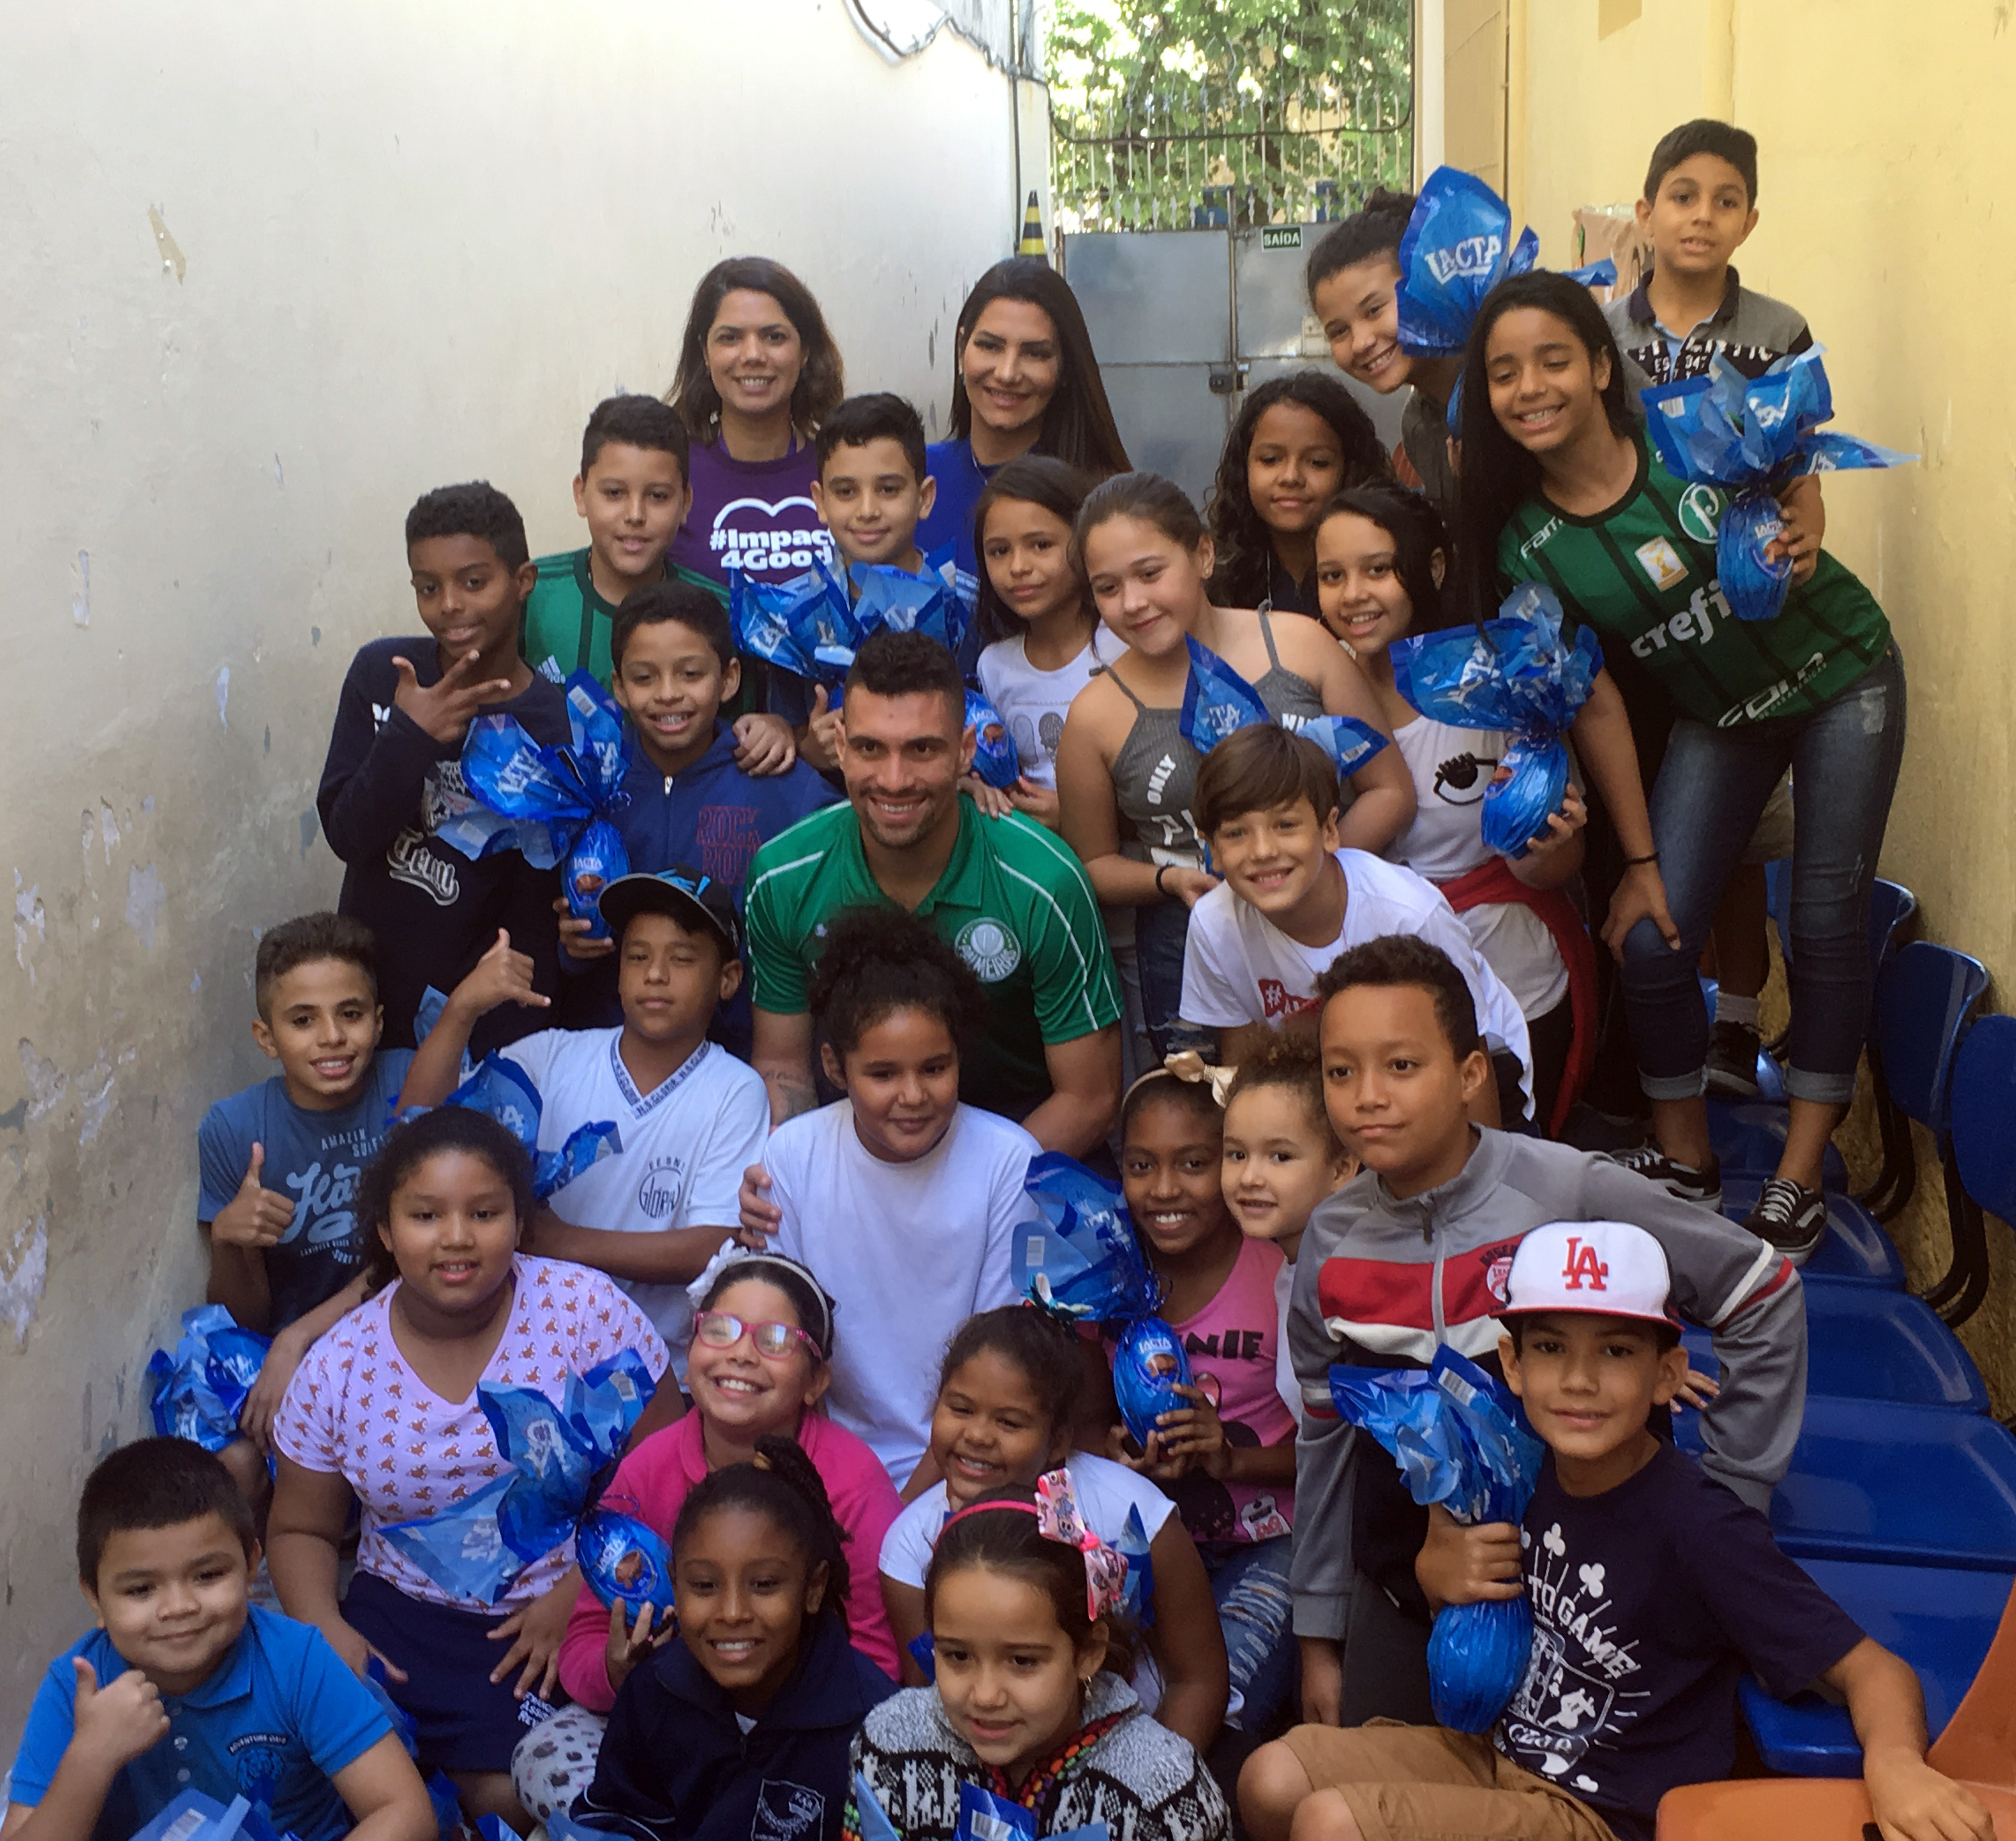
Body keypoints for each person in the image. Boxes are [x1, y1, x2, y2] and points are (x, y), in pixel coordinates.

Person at [1241, 1219, 1993, 1841]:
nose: (1578, 1379)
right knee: (1270, 1777)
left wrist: (1898, 1765)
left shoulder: (1698, 1524)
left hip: (1603, 1815)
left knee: (1332, 1825)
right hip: (1495, 1756)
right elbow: (1465, 1608)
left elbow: (1871, 1669)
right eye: (1550, 1347)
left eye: (1616, 1350)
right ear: (1511, 1363)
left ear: (1668, 1374)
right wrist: (1440, 1574)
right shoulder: (1516, 1469)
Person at [1460, 269, 1900, 1257]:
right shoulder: (1525, 539)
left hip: (1840, 677)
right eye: (1502, 371)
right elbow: (1600, 700)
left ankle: (1796, 1178)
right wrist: (1642, 861)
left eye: (1552, 360)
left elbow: (1792, 469)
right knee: (1652, 938)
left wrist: (1803, 520)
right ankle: (1685, 1157)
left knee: (1824, 918)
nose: (1530, 385)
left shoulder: (1684, 431)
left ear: (1598, 365)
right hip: (1722, 712)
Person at [1286, 936, 1807, 1734]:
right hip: (1412, 1584)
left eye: (1401, 1065)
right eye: (1340, 1071)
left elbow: (1761, 1290)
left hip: (1594, 1593)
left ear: (1470, 1077)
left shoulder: (1566, 1189)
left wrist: (1730, 1507)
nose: (1367, 1097)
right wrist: (1322, 1630)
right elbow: (1325, 1433)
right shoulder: (1330, 1239)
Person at [268, 1106, 679, 1829]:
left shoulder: (585, 1313)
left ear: (520, 1223)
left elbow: (671, 1465)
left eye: (484, 1212)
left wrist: (580, 1597)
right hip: (402, 1619)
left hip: (559, 1611)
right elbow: (301, 1527)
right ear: (388, 1233)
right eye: (426, 1216)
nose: (456, 1238)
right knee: (328, 1777)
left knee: (531, 1790)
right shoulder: (339, 1364)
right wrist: (323, 1626)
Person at [1605, 119, 1822, 1106]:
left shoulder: (1778, 328)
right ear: (1644, 211)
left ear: (1749, 220)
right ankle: (1644, 1029)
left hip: (1742, 617)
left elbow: (1799, 465)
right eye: (1681, 196)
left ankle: (1736, 1026)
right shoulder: (1600, 332)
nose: (1701, 215)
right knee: (1638, 828)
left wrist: (1802, 539)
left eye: (1723, 200)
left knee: (1736, 840)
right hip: (1628, 616)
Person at [525, 1254, 898, 1820]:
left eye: (775, 1339)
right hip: (669, 1717)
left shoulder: (852, 1480)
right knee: (539, 1757)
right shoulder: (647, 1469)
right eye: (719, 1329)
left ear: (816, 1380)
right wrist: (617, 1670)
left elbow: (878, 1657)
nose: (741, 1353)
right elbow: (584, 1637)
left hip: (812, 1739)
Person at [1055, 472, 1413, 1057]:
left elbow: (1390, 790)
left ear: (1201, 553)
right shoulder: (1094, 715)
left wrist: (1312, 870)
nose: (1134, 602)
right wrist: (1168, 880)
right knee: (1218, 1115)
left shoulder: (1299, 645)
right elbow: (1091, 863)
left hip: (1342, 918)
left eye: (1150, 573)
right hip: (1193, 937)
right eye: (1108, 587)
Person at [744, 630, 1122, 1154]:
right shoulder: (784, 875)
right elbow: (784, 1067)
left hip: (1021, 1143)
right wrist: (791, 1172)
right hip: (854, 1142)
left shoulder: (1044, 880)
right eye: (870, 748)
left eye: (922, 749)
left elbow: (1089, 1099)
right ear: (840, 747)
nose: (894, 780)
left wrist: (963, 1198)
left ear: (966, 751)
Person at [401, 871, 768, 1368]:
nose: (655, 974)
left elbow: (713, 1245)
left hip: (660, 1367)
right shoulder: (551, 1057)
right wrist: (462, 1010)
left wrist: (561, 1241)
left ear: (727, 979)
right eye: (637, 956)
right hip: (532, 1356)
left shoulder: (734, 1089)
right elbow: (415, 1130)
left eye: (681, 959)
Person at [1311, 485, 1591, 1131]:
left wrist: (1549, 846)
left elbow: (1553, 867)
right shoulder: (1308, 693)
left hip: (1512, 987)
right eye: (1332, 576)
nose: (1354, 594)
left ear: (1432, 569)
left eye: (1379, 569)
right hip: (1376, 1004)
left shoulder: (1496, 687)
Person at [2, 1438, 433, 1841]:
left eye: (208, 1576)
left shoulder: (296, 1661)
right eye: (140, 1590)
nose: (179, 1607)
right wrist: (91, 1757)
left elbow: (406, 1810)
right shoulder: (79, 1688)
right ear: (95, 1598)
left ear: (250, 1570)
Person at [743, 910, 1033, 1489]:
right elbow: (793, 1347)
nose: (912, 1095)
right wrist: (844, 1491)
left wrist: (905, 1513)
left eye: (935, 1068)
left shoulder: (1009, 1161)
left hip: (971, 1460)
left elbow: (997, 1361)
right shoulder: (794, 1157)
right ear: (834, 1067)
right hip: (829, 1458)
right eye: (882, 1074)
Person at [877, 1306, 1231, 1754]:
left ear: (1059, 1440)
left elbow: (1198, 1677)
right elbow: (933, 1702)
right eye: (960, 1409)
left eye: (1010, 1422)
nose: (978, 1435)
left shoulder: (1131, 1513)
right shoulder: (911, 1549)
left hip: (1141, 1749)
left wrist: (1149, 1786)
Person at [1178, 723, 1533, 1126]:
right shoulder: (1215, 925)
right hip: (1337, 1080)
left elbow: (1468, 1056)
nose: (1262, 851)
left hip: (1468, 1070)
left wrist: (1476, 1181)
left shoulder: (1408, 915)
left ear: (1329, 830)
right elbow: (1248, 1070)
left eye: (1286, 826)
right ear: (1213, 850)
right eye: (1237, 833)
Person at [543, 1439, 897, 1841]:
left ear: (813, 1588)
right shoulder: (654, 1693)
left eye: (764, 1585)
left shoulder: (873, 1726)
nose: (732, 1613)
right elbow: (621, 1815)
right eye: (704, 1585)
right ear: (676, 1587)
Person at [318, 480, 565, 1054]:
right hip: (369, 1009)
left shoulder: (552, 723)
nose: (449, 604)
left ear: (522, 582)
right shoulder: (384, 673)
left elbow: (534, 909)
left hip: (485, 1026)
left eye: (474, 582)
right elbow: (347, 834)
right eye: (428, 588)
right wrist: (408, 737)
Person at [848, 1484, 1232, 1841]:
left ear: (1087, 1653)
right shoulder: (891, 1748)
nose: (985, 1696)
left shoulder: (1158, 1793)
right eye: (958, 1656)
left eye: (1022, 1661)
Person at [1095, 1070, 1299, 1738]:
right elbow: (1074, 1420)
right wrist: (1113, 1457)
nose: (1164, 1190)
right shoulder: (1105, 1284)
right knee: (1099, 1687)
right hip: (1147, 1536)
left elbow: (1337, 1450)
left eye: (1193, 1164)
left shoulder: (1280, 1273)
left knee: (1221, 1695)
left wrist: (1230, 1458)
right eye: (1140, 1166)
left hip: (1269, 1540)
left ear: (1230, 1166)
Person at [553, 583, 838, 1048]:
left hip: (750, 1059)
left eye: (690, 674)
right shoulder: (586, 784)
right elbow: (556, 918)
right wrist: (573, 946)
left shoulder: (781, 782)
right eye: (644, 678)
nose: (668, 695)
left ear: (728, 679)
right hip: (615, 1060)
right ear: (619, 686)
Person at [197, 914, 413, 1507]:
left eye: (350, 1014)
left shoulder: (405, 1083)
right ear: (266, 1038)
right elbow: (243, 1311)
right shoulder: (234, 1127)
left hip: (399, 1334)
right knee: (232, 1462)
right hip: (281, 1349)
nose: (332, 1038)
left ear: (378, 1020)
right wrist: (230, 1241)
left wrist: (300, 1339)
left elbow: (417, 1261)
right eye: (302, 1021)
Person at [517, 392, 791, 762]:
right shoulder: (529, 594)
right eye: (614, 493)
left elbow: (752, 728)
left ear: (686, 502)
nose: (635, 515)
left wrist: (775, 729)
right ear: (581, 494)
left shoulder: (727, 611)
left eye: (658, 496)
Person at [914, 259, 1132, 576]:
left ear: (1065, 370)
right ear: (962, 347)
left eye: (1035, 354)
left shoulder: (1106, 502)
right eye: (990, 346)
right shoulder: (909, 480)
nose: (1007, 373)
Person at [777, 391, 950, 770]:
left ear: (925, 497)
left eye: (888, 489)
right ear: (821, 503)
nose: (868, 510)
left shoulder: (961, 608)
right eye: (846, 492)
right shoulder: (794, 615)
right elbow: (782, 732)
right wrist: (809, 750)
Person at [665, 258, 845, 592]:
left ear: (804, 351)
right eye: (730, 338)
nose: (752, 355)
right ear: (705, 353)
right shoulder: (670, 473)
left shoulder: (843, 467)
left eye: (774, 337)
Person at [1219, 1032, 1355, 1426]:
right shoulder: (1294, 1268)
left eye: (1280, 1156)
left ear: (1342, 1169)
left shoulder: (1346, 1284)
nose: (1249, 1176)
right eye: (1237, 1154)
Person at [1303, 191, 1463, 521]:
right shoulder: (1418, 428)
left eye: (1374, 310)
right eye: (1338, 331)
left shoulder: (1508, 377)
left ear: (1425, 284)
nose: (1360, 343)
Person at [971, 457, 1105, 827]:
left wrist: (1078, 815)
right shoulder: (994, 664)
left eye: (1041, 545)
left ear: (1085, 543)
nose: (1018, 567)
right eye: (999, 551)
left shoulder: (1124, 648)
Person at [1203, 372, 1390, 617]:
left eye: (1318, 462)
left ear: (1350, 470)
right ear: (1243, 467)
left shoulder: (1385, 569)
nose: (1291, 477)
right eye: (1270, 460)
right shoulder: (1214, 574)